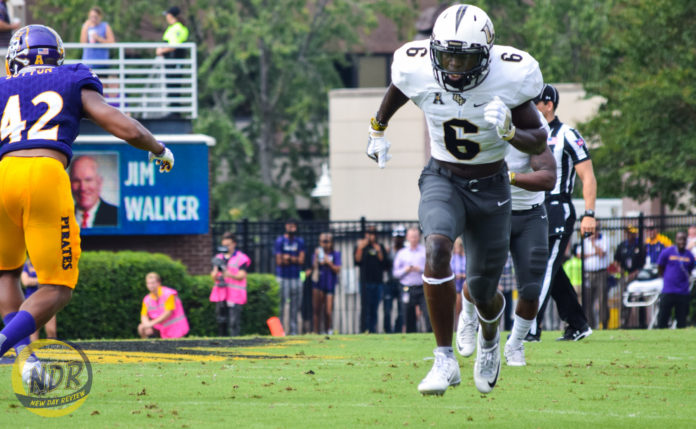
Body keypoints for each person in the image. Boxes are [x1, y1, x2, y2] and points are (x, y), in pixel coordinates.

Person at [368, 4, 547, 394]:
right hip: (443, 177)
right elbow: (399, 89)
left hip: (491, 186)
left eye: (462, 58)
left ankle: (489, 340)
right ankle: (444, 359)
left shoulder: (511, 76)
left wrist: (510, 132)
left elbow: (539, 140)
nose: (452, 66)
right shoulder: (416, 66)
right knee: (435, 248)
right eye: (446, 55)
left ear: (485, 55)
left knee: (482, 291)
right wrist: (377, 129)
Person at [0, 25, 174, 365]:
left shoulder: (3, 85)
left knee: (5, 273)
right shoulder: (72, 76)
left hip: (3, 173)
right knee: (57, 287)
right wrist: (158, 148)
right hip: (45, 172)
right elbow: (117, 122)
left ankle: (27, 363)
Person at [458, 129, 556, 367]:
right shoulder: (478, 121)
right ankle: (468, 317)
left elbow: (548, 178)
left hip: (530, 215)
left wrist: (509, 177)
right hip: (491, 212)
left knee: (531, 289)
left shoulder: (529, 123)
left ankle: (515, 343)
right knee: (479, 280)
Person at [529, 83, 596, 342]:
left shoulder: (567, 134)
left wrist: (589, 213)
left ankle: (529, 327)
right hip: (534, 207)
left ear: (548, 105)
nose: (530, 107)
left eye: (535, 102)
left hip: (558, 207)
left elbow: (587, 175)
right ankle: (578, 323)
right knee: (551, 269)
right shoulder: (527, 133)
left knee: (543, 266)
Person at [210, 232, 251, 337]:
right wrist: (215, 272)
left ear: (234, 244)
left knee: (234, 322)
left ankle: (234, 341)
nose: (226, 247)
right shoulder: (218, 257)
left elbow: (242, 275)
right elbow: (213, 276)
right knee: (221, 320)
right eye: (224, 245)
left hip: (235, 295)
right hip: (221, 294)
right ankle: (222, 341)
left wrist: (228, 274)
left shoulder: (241, 258)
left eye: (228, 245)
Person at [392, 227, 429, 333]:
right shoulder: (402, 253)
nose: (413, 239)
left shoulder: (424, 251)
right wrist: (406, 270)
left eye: (415, 236)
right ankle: (411, 335)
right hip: (407, 288)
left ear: (419, 237)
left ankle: (431, 334)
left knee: (428, 313)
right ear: (407, 237)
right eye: (412, 237)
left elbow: (432, 269)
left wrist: (420, 269)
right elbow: (395, 273)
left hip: (422, 287)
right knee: (408, 316)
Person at [656, 231, 695, 329]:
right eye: (680, 239)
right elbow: (660, 267)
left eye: (684, 239)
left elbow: (690, 270)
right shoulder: (667, 252)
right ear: (676, 240)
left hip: (682, 291)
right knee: (663, 319)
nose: (682, 242)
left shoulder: (689, 255)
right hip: (668, 290)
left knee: (681, 321)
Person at [274, 219, 305, 335]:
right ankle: (280, 331)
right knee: (281, 305)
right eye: (290, 226)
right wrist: (293, 259)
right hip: (283, 277)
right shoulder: (280, 241)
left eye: (294, 226)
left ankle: (294, 331)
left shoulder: (299, 241)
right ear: (286, 226)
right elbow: (279, 261)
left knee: (295, 306)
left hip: (296, 277)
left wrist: (289, 258)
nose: (292, 229)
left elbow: (301, 260)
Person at [70, 155, 118, 227]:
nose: (82, 188)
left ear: (99, 182)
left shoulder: (117, 215)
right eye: (76, 181)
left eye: (88, 180)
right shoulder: (60, 218)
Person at [156, 6, 189, 113]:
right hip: (171, 60)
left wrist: (161, 50)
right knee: (171, 84)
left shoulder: (177, 28)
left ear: (171, 15)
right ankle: (173, 110)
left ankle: (175, 111)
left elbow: (174, 46)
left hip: (174, 60)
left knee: (173, 84)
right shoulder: (174, 27)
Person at [354, 224, 386, 333]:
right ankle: (363, 329)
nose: (371, 235)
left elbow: (384, 263)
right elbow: (357, 261)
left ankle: (373, 330)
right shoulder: (361, 247)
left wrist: (379, 251)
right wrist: (360, 248)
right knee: (365, 308)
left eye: (373, 233)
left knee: (374, 308)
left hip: (377, 282)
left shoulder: (380, 246)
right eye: (369, 233)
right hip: (364, 282)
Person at [138, 272, 189, 338]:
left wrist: (151, 323)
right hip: (160, 327)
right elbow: (144, 315)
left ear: (159, 283)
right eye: (148, 283)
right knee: (141, 327)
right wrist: (146, 325)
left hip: (175, 327)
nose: (151, 285)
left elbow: (168, 313)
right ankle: (146, 344)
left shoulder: (168, 294)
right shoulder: (147, 299)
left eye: (153, 283)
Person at [579, 221, 610, 329]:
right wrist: (594, 253)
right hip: (588, 274)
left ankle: (604, 324)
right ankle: (589, 325)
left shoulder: (604, 239)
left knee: (602, 299)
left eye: (596, 229)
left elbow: (601, 254)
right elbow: (579, 255)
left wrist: (593, 243)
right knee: (587, 300)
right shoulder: (585, 240)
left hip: (601, 273)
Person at [614, 225, 645, 327]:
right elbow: (616, 260)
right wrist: (619, 269)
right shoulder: (622, 245)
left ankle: (641, 323)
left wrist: (635, 273)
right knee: (624, 299)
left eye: (633, 233)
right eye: (629, 233)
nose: (631, 235)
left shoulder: (640, 246)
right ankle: (624, 322)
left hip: (637, 276)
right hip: (625, 276)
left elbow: (643, 263)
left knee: (640, 299)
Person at [20, 259, 57, 341]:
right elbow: (26, 282)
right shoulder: (26, 265)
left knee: (51, 330)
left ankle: (52, 347)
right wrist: (42, 281)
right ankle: (34, 348)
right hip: (32, 301)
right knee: (34, 331)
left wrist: (34, 281)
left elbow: (53, 280)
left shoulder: (47, 264)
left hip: (47, 299)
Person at [311, 232, 341, 334]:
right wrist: (316, 257)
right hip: (318, 284)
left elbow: (337, 269)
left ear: (331, 242)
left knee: (328, 311)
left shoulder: (335, 254)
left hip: (329, 283)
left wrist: (328, 262)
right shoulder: (317, 253)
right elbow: (313, 267)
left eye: (327, 241)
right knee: (317, 309)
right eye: (322, 241)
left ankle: (328, 330)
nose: (324, 244)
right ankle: (316, 331)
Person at [384, 225, 406, 333]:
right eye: (396, 237)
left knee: (401, 309)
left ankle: (397, 330)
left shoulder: (406, 251)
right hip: (389, 282)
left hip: (402, 283)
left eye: (400, 237)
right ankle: (388, 330)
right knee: (387, 309)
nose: (398, 240)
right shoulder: (389, 251)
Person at [450, 236, 466, 331]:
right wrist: (456, 275)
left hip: (465, 286)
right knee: (457, 309)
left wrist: (463, 275)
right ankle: (457, 328)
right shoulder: (453, 258)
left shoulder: (466, 258)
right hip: (457, 287)